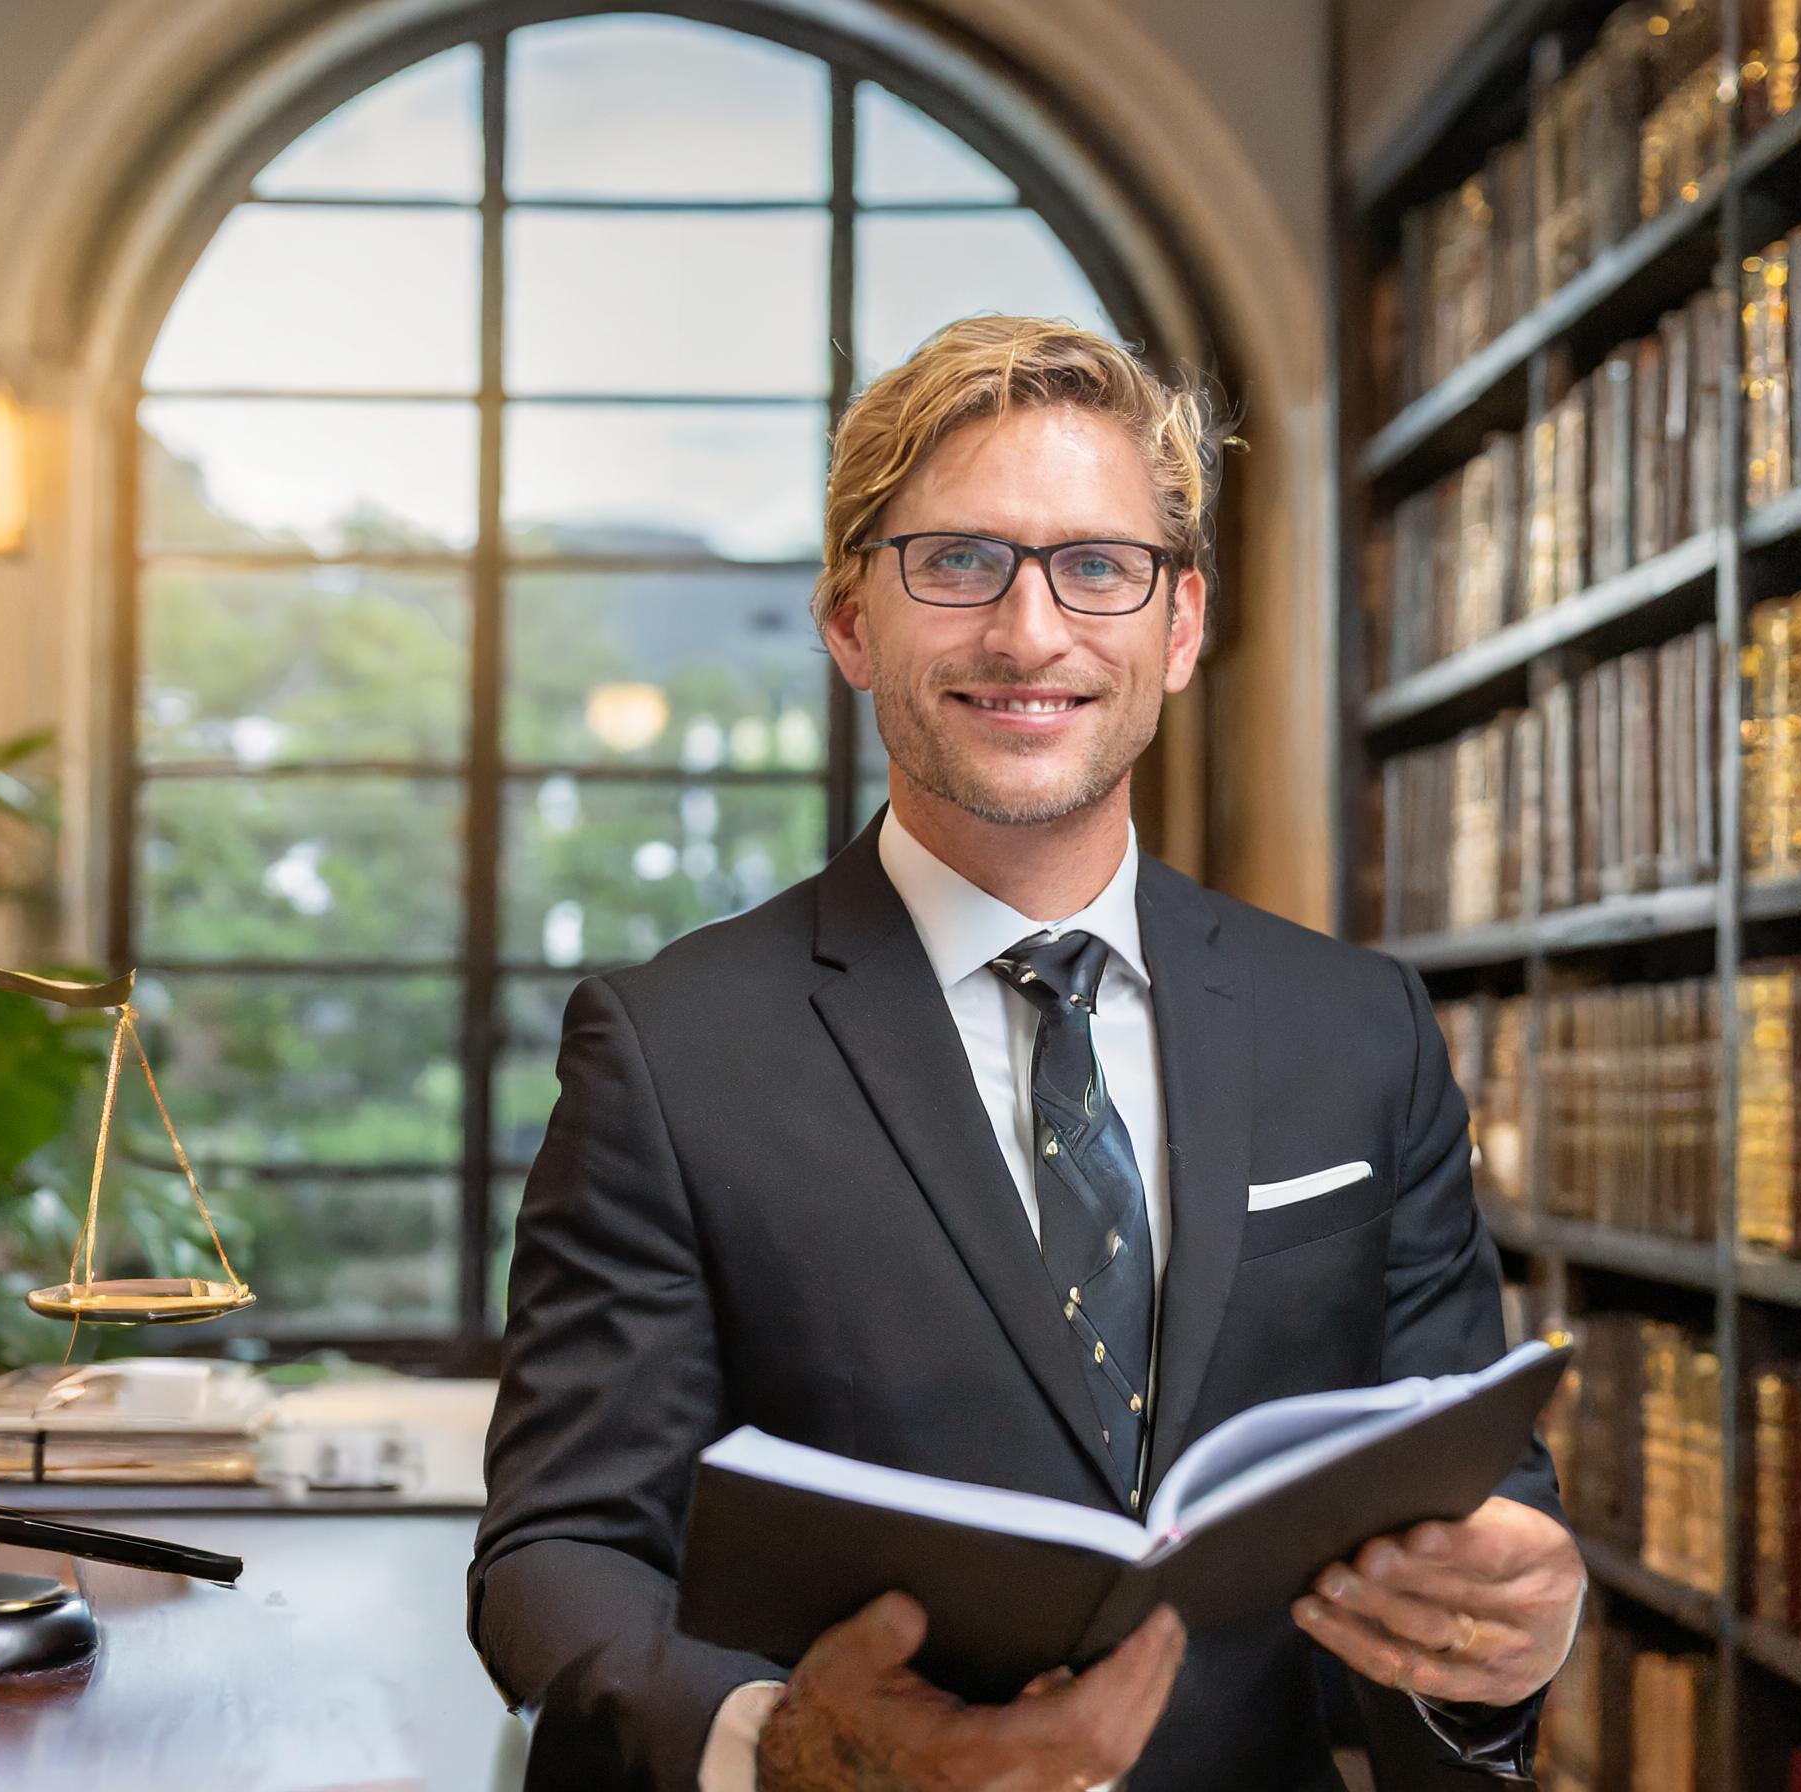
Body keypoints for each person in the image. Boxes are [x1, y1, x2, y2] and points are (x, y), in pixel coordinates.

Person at [467, 316, 1585, 1790]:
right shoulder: (669, 1049)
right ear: (852, 618)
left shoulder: (1357, 1027)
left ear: (1180, 628)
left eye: (1097, 567)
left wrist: (1504, 1646)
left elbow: (1466, 1484)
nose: (1030, 632)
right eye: (959, 561)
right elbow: (557, 1554)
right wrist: (781, 1748)